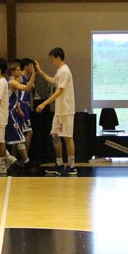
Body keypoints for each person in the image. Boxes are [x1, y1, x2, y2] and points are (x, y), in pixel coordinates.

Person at [35, 47, 77, 176]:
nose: (51, 61)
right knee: (55, 136)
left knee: (68, 138)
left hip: (66, 110)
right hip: (59, 111)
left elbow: (59, 91)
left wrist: (44, 103)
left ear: (58, 57)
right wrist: (40, 72)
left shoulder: (65, 71)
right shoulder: (59, 71)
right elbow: (54, 81)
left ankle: (72, 166)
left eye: (52, 59)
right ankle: (59, 163)